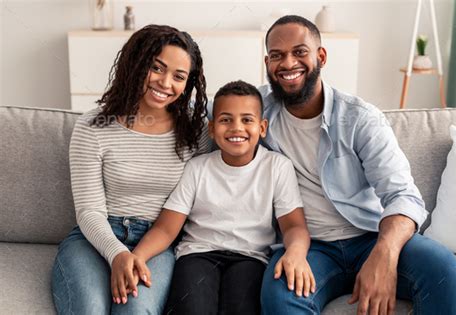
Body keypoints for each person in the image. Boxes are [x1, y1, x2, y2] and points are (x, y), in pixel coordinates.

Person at [259, 15, 456, 315]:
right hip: (308, 247)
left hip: (370, 236)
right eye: (277, 55)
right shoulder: (255, 112)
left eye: (300, 51)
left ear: (321, 56)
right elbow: (199, 108)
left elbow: (403, 197)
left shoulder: (359, 118)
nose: (288, 63)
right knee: (280, 297)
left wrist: (385, 254)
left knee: (444, 271)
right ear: (267, 63)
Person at [112, 80, 315, 314]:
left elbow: (294, 226)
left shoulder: (277, 167)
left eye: (247, 120)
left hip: (250, 258)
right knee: (192, 309)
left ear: (262, 127)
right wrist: (137, 255)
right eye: (225, 120)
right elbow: (166, 229)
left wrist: (296, 253)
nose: (236, 128)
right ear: (211, 128)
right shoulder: (197, 168)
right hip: (198, 254)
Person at [51, 24, 209, 314]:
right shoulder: (92, 126)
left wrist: (135, 255)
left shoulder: (195, 132)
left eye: (179, 76)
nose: (165, 83)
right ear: (135, 64)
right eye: (156, 68)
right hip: (95, 237)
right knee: (90, 309)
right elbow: (89, 211)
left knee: (135, 310)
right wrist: (117, 255)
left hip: (158, 243)